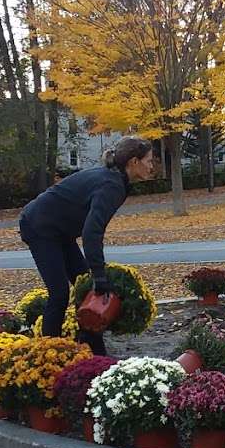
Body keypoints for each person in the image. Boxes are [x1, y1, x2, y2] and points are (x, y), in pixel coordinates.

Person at [19, 137, 154, 353]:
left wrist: (96, 278)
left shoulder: (116, 181)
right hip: (39, 226)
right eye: (148, 160)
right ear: (133, 162)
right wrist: (99, 276)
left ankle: (96, 354)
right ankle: (47, 356)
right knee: (60, 294)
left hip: (60, 231)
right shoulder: (112, 185)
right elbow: (92, 232)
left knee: (86, 290)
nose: (151, 166)